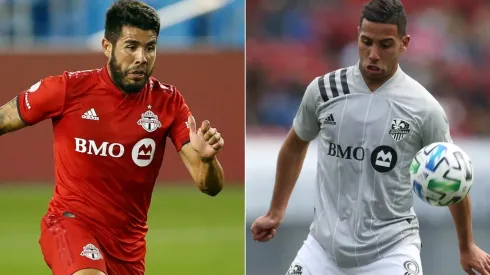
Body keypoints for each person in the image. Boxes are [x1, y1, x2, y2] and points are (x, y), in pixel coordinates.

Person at [250, 0, 490, 274]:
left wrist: (466, 246)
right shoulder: (324, 90)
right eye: (366, 42)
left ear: (404, 43)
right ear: (357, 37)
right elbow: (294, 146)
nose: (373, 54)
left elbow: (453, 178)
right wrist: (276, 211)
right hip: (322, 250)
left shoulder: (424, 107)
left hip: (390, 253)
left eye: (385, 45)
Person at [0, 1, 225, 274]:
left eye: (150, 47)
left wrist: (208, 160)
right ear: (107, 47)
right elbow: (3, 119)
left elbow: (208, 185)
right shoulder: (68, 89)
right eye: (131, 47)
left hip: (127, 249)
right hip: (69, 223)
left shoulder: (169, 102)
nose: (141, 57)